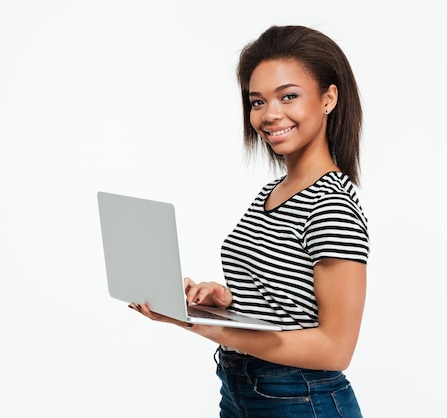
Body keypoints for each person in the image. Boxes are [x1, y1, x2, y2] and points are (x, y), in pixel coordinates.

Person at [129, 25, 369, 418]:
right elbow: (288, 307)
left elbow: (335, 348)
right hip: (241, 390)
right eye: (258, 101)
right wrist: (221, 302)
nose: (270, 114)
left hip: (301, 400)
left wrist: (207, 329)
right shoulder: (272, 192)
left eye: (288, 96)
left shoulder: (331, 206)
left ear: (329, 98)